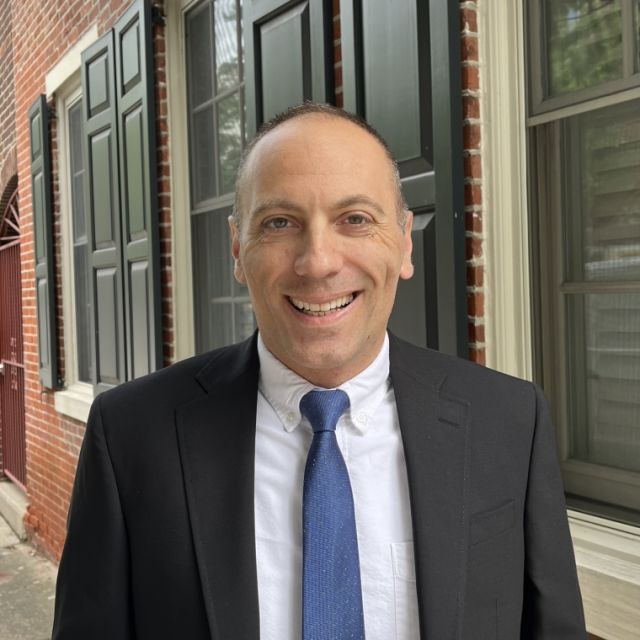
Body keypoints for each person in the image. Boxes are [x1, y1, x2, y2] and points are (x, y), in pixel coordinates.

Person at [52, 103, 586, 639]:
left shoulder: (509, 421)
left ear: (404, 240)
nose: (318, 262)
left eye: (355, 219)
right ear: (238, 249)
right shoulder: (131, 434)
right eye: (279, 223)